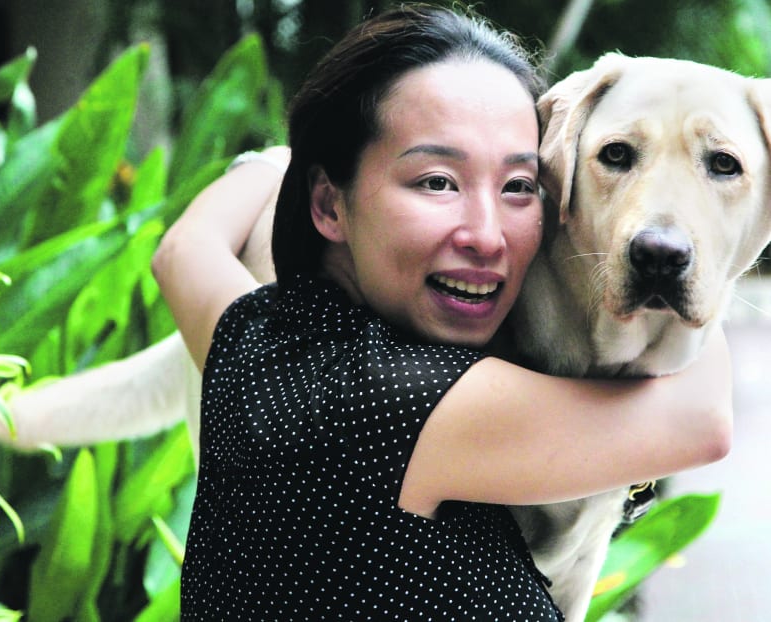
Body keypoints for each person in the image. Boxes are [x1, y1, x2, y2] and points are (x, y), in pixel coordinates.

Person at [152, 4, 733, 619]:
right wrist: (690, 240)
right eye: (436, 181)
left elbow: (183, 249)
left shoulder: (260, 337)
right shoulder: (387, 399)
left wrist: (275, 162)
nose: (486, 235)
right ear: (329, 204)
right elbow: (700, 422)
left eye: (518, 186)